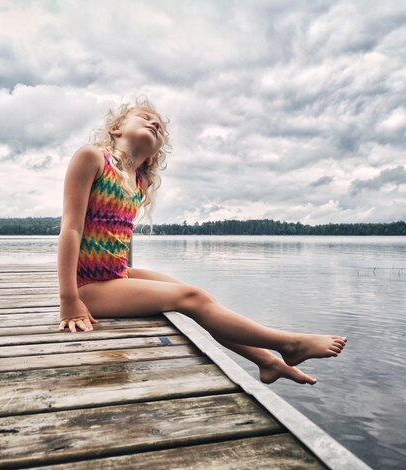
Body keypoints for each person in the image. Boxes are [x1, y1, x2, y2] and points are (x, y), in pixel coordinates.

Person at [57, 97, 347, 385]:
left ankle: (266, 361)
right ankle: (288, 344)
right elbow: (71, 229)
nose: (154, 123)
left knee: (196, 295)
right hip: (87, 288)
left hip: (115, 276)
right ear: (117, 127)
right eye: (145, 117)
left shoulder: (138, 182)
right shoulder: (92, 157)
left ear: (153, 156)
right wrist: (69, 300)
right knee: (191, 299)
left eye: (159, 127)